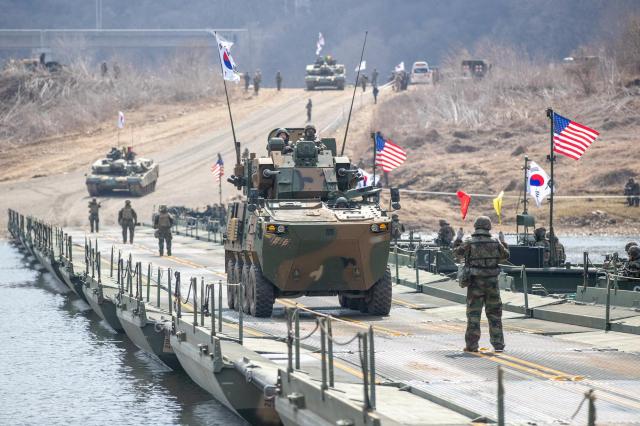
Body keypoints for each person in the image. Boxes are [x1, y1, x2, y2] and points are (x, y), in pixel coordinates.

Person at [454, 216, 509, 353]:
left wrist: (458, 238)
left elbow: (456, 253)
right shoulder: (495, 242)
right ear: (489, 227)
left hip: (475, 283)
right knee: (495, 314)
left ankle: (472, 346)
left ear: (476, 226)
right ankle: (498, 345)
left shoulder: (469, 242)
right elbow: (506, 256)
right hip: (492, 283)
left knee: (474, 314)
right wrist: (503, 241)